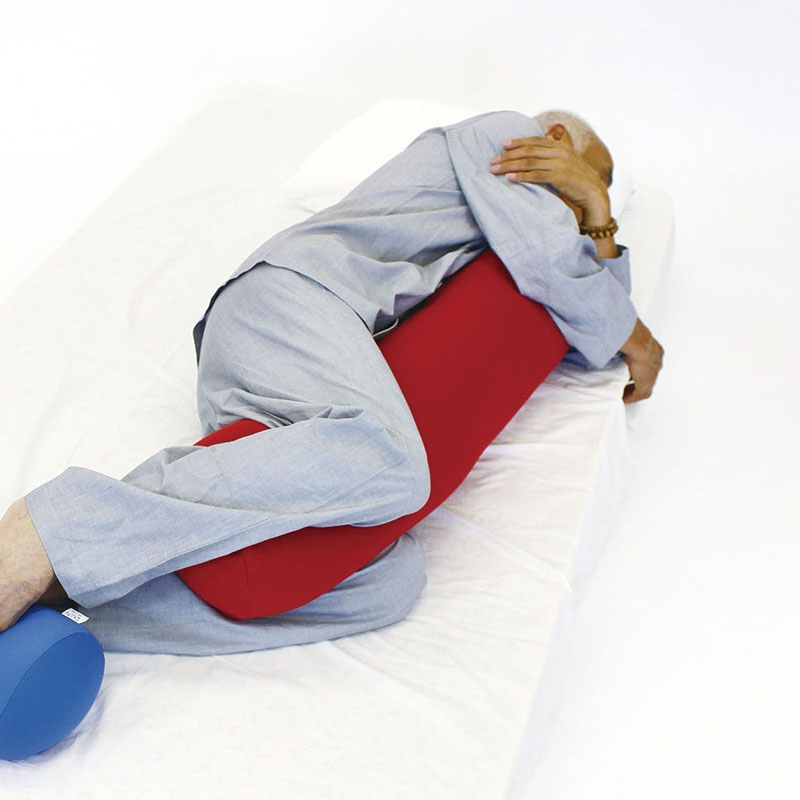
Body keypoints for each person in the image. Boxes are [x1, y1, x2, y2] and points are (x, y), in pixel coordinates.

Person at [0, 109, 663, 653]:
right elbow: (558, 267)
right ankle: (58, 527)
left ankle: (73, 612)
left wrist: (599, 211)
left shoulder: (539, 237)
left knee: (391, 584)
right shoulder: (505, 137)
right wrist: (632, 324)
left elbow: (584, 323)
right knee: (394, 461)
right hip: (292, 299)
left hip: (313, 373)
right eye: (585, 183)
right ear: (557, 140)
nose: (580, 221)